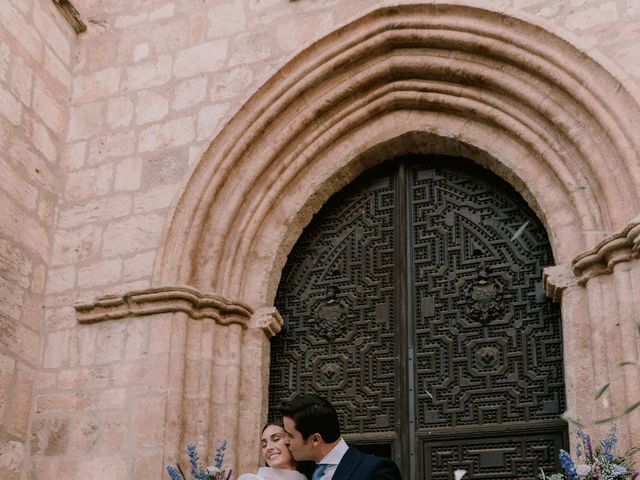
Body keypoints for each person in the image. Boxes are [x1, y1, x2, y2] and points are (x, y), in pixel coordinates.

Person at [280, 394, 401, 480]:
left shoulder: (374, 470)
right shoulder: (301, 471)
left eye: (290, 435)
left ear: (315, 440)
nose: (285, 441)